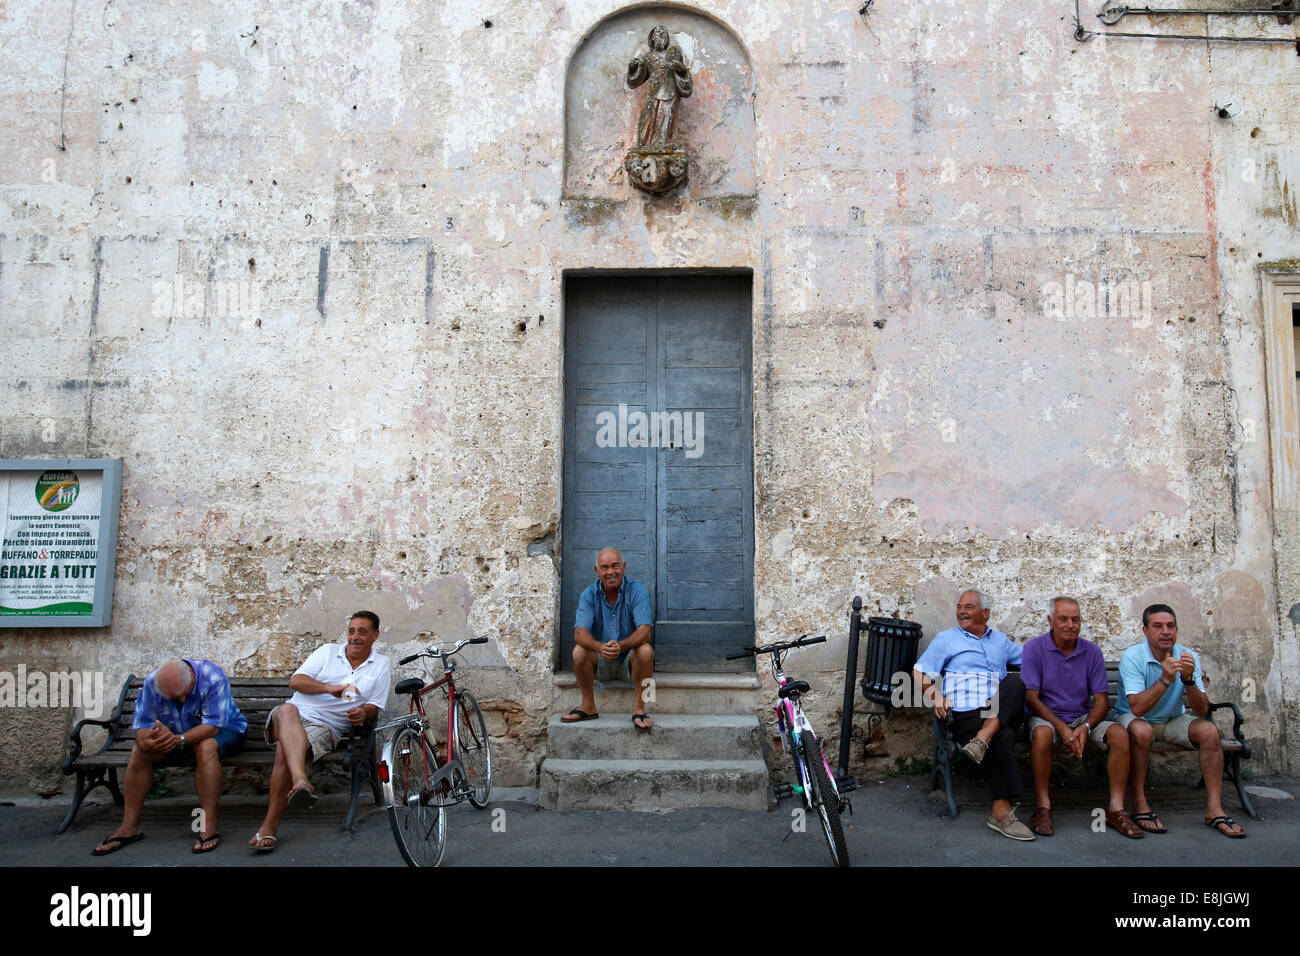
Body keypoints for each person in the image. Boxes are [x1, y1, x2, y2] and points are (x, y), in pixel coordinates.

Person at [248, 611, 391, 851]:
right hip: (293, 716)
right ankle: (299, 782)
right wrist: (329, 688)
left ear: (375, 635)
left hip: (326, 727)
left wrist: (362, 713)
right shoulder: (327, 652)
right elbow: (296, 681)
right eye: (351, 631)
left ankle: (271, 826)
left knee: (286, 748)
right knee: (286, 710)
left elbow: (374, 705)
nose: (354, 637)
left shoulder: (381, 665)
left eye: (362, 632)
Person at [92, 659, 248, 855]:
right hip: (174, 735)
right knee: (139, 753)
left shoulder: (212, 677)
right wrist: (145, 742)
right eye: (174, 698)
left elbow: (213, 725)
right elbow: (142, 725)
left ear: (192, 678)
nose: (182, 702)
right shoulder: (152, 683)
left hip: (223, 730)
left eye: (184, 695)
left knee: (205, 746)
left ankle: (208, 825)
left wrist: (178, 740)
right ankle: (129, 827)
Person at [1117, 604, 1245, 838]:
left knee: (1209, 731)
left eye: (1171, 626)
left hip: (1172, 718)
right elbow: (1137, 708)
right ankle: (1139, 803)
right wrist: (1165, 679)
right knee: (1143, 731)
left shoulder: (1188, 656)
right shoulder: (1133, 658)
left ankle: (1214, 810)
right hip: (1135, 719)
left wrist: (1188, 681)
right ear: (1145, 631)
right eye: (1157, 626)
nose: (1165, 631)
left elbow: (1201, 709)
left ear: (1176, 630)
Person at [913, 589, 1032, 840]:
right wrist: (936, 695)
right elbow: (919, 672)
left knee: (1014, 685)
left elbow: (1031, 659)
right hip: (967, 714)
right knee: (1004, 735)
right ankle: (1000, 812)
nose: (962, 611)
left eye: (969, 606)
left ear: (986, 613)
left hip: (999, 708)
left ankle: (983, 739)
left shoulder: (1000, 641)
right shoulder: (947, 639)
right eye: (959, 606)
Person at [1022, 597, 1142, 838]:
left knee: (1119, 733)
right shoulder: (1034, 649)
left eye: (1075, 619)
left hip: (1080, 718)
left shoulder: (1091, 651)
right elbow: (1032, 699)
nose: (1070, 625)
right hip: (1047, 718)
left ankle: (1116, 809)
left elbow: (1101, 701)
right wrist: (1063, 729)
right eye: (1063, 619)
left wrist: (1085, 726)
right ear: (1050, 621)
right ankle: (1043, 807)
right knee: (1043, 734)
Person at [561, 547, 655, 731]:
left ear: (624, 567)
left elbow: (645, 631)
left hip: (629, 662)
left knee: (646, 650)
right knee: (579, 651)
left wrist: (621, 646)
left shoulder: (636, 590)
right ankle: (588, 706)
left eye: (615, 566)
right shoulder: (589, 594)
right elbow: (579, 633)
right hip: (600, 660)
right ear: (597, 571)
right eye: (604, 567)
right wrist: (599, 647)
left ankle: (640, 708)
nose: (610, 572)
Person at [627, 24, 693, 147]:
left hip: (670, 92)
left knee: (666, 117)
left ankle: (662, 145)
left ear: (667, 38)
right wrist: (632, 68)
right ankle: (645, 145)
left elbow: (684, 76)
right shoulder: (648, 57)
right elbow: (635, 80)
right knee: (647, 119)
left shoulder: (673, 54)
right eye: (657, 33)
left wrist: (680, 68)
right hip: (652, 94)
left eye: (663, 33)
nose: (660, 35)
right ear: (652, 38)